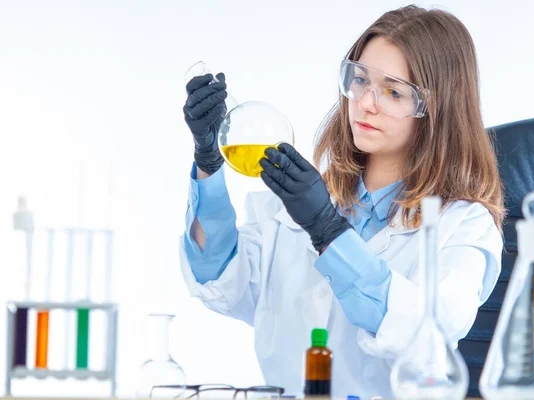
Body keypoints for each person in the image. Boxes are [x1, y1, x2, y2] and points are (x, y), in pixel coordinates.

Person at [179, 5, 505, 398]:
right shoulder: (296, 208)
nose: (366, 102)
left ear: (436, 108)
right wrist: (207, 162)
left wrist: (328, 232)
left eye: (393, 91)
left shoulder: (461, 227)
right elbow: (219, 280)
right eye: (361, 79)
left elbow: (427, 333)